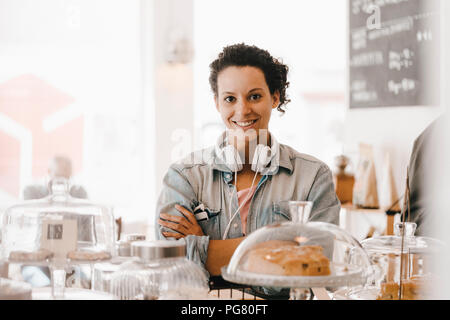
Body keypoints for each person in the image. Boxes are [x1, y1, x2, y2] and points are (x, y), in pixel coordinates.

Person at [155, 43, 341, 298]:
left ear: (275, 97)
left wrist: (202, 248)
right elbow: (172, 269)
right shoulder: (184, 176)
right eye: (230, 98)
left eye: (254, 96)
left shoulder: (313, 177)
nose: (242, 110)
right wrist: (277, 250)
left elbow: (314, 270)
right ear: (217, 103)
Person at [23, 155, 87, 200]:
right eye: (58, 175)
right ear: (49, 171)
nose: (62, 181)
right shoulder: (32, 192)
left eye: (66, 176)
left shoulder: (78, 193)